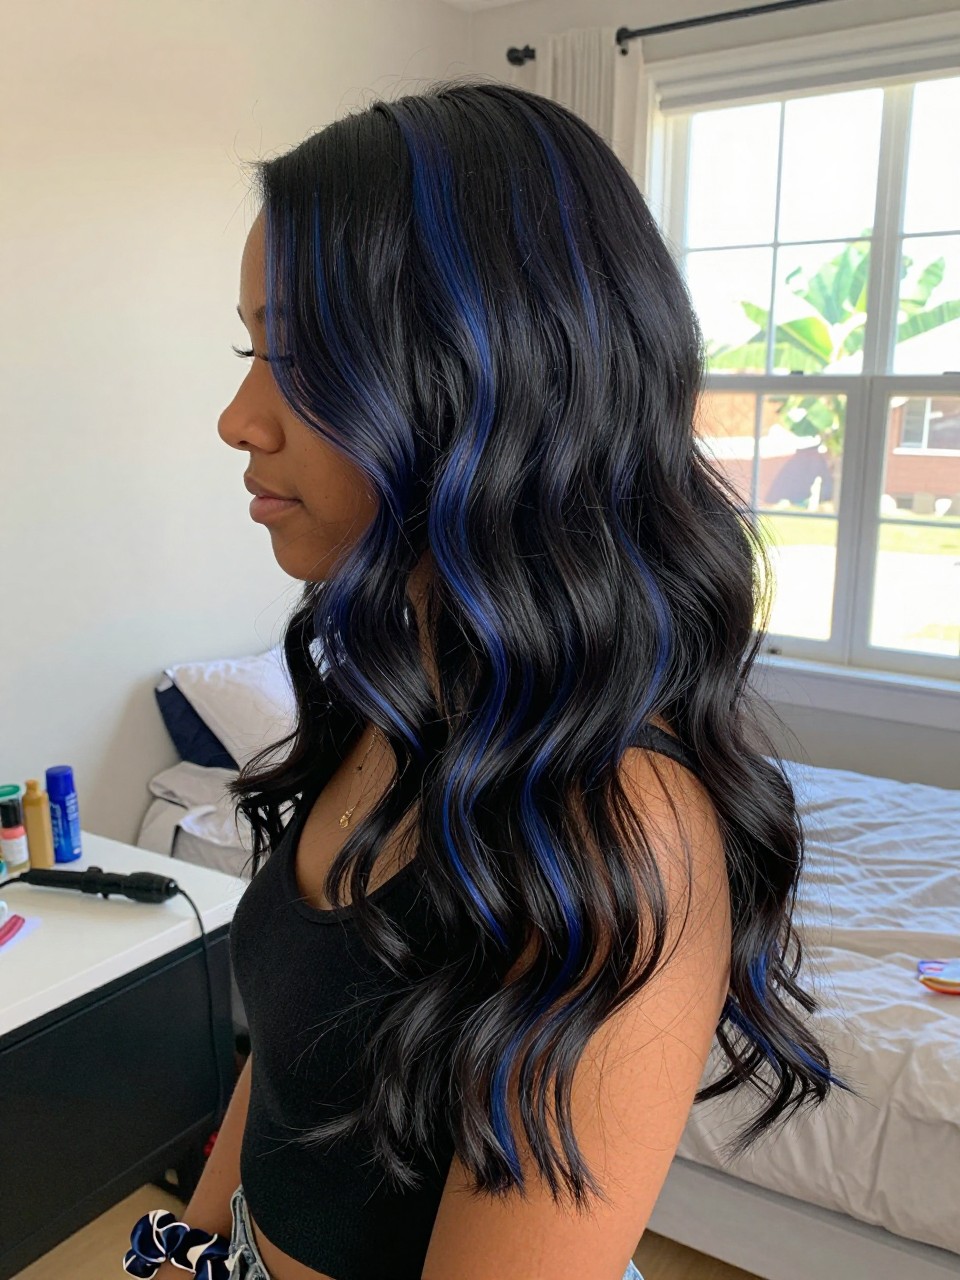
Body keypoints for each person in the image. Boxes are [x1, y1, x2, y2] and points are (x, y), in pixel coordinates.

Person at [126, 77, 854, 1280]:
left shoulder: (617, 833)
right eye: (250, 347)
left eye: (299, 358)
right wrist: (180, 1256)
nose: (236, 416)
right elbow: (291, 1064)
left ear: (488, 376)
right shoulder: (385, 686)